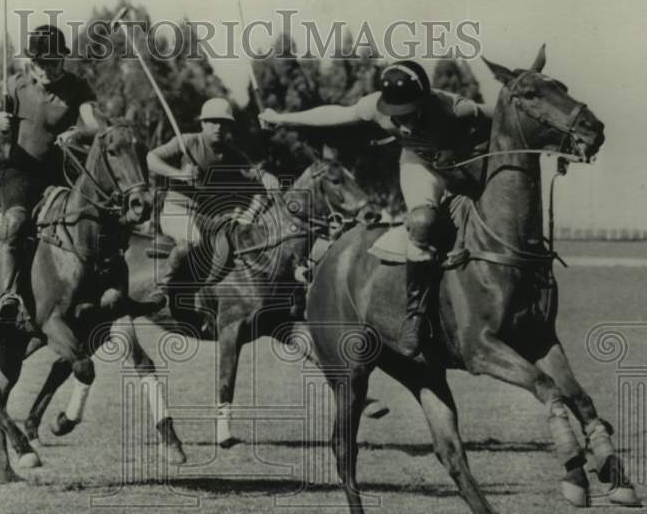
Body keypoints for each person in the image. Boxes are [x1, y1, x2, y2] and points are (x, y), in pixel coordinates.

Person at [259, 60, 492, 356]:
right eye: (397, 115)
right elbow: (335, 114)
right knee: (421, 222)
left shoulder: (456, 107)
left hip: (465, 163)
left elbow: (501, 114)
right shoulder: (374, 106)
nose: (403, 124)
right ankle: (415, 316)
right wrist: (282, 118)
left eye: (409, 113)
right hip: (421, 164)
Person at [0, 24, 104, 322]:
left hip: (63, 174)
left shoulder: (77, 87)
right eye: (40, 63)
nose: (46, 70)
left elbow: (95, 125)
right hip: (21, 173)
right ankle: (8, 294)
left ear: (63, 59)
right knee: (15, 222)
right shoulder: (14, 85)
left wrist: (78, 133)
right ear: (32, 62)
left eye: (53, 62)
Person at [146, 97, 280, 308]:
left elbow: (254, 172)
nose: (218, 127)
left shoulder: (231, 153)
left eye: (223, 123)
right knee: (193, 241)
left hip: (209, 218)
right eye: (213, 122)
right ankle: (162, 288)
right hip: (178, 210)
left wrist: (266, 176)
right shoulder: (188, 141)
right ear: (203, 123)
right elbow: (151, 159)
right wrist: (179, 175)